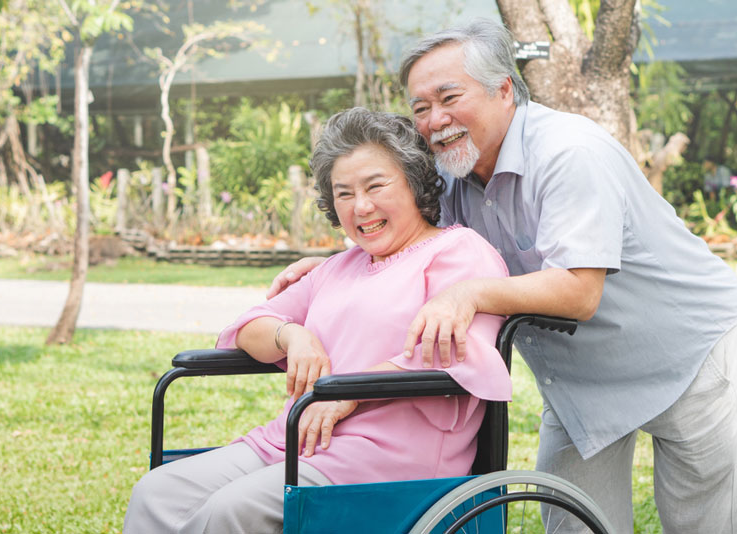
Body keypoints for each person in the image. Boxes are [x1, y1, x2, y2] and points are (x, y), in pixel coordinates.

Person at [268, 19, 737, 534]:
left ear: (504, 89)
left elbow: (578, 289)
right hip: (580, 380)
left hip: (687, 353)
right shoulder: (452, 172)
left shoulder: (570, 152)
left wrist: (469, 294)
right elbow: (406, 239)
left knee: (707, 523)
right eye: (420, 108)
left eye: (449, 97)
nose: (435, 120)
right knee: (573, 522)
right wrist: (333, 264)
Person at [123, 107, 511, 534]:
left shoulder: (458, 252)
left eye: (375, 186)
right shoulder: (338, 267)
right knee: (157, 492)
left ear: (413, 182)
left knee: (234, 509)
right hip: (298, 440)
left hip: (390, 456)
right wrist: (293, 336)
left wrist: (343, 396)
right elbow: (248, 327)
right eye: (344, 193)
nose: (361, 207)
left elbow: (459, 357)